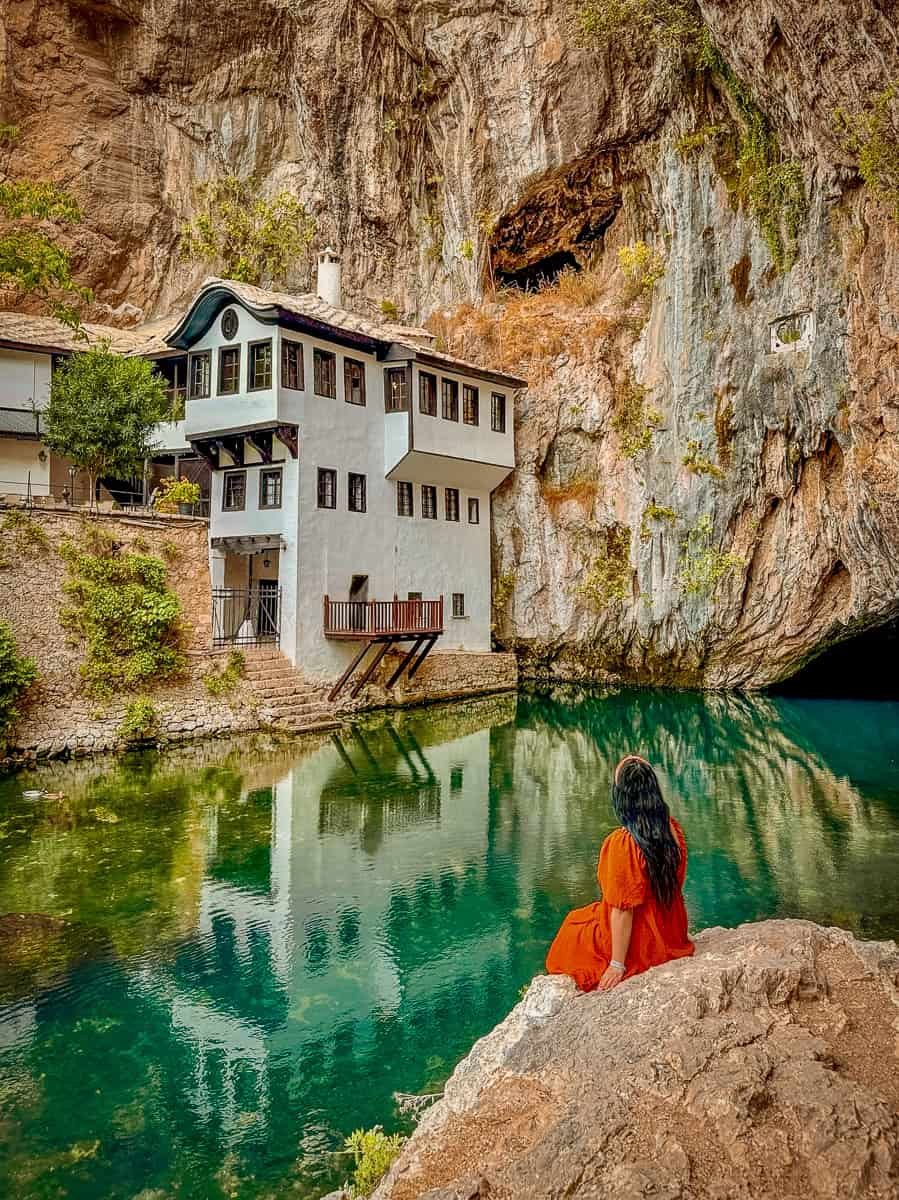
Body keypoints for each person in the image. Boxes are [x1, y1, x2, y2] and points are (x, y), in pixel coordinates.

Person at [546, 754, 693, 992]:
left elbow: (622, 910)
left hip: (644, 941)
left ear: (622, 798)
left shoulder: (624, 843)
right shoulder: (671, 829)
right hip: (671, 932)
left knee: (572, 932)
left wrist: (617, 964)